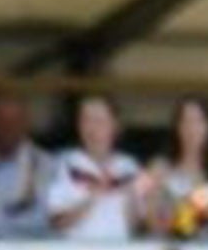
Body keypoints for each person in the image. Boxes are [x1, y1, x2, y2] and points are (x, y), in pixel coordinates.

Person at [47, 93, 149, 241]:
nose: (92, 128)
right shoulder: (64, 163)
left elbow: (137, 228)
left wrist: (133, 194)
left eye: (99, 121)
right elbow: (57, 223)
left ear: (115, 125)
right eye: (86, 120)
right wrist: (93, 197)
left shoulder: (129, 167)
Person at [143, 96, 208, 241]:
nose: (192, 128)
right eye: (186, 121)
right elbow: (151, 221)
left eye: (199, 121)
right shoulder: (159, 168)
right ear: (177, 127)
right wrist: (191, 212)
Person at [0, 91, 54, 238]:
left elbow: (42, 217)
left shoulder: (44, 164)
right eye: (1, 121)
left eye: (14, 121)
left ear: (25, 124)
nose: (8, 128)